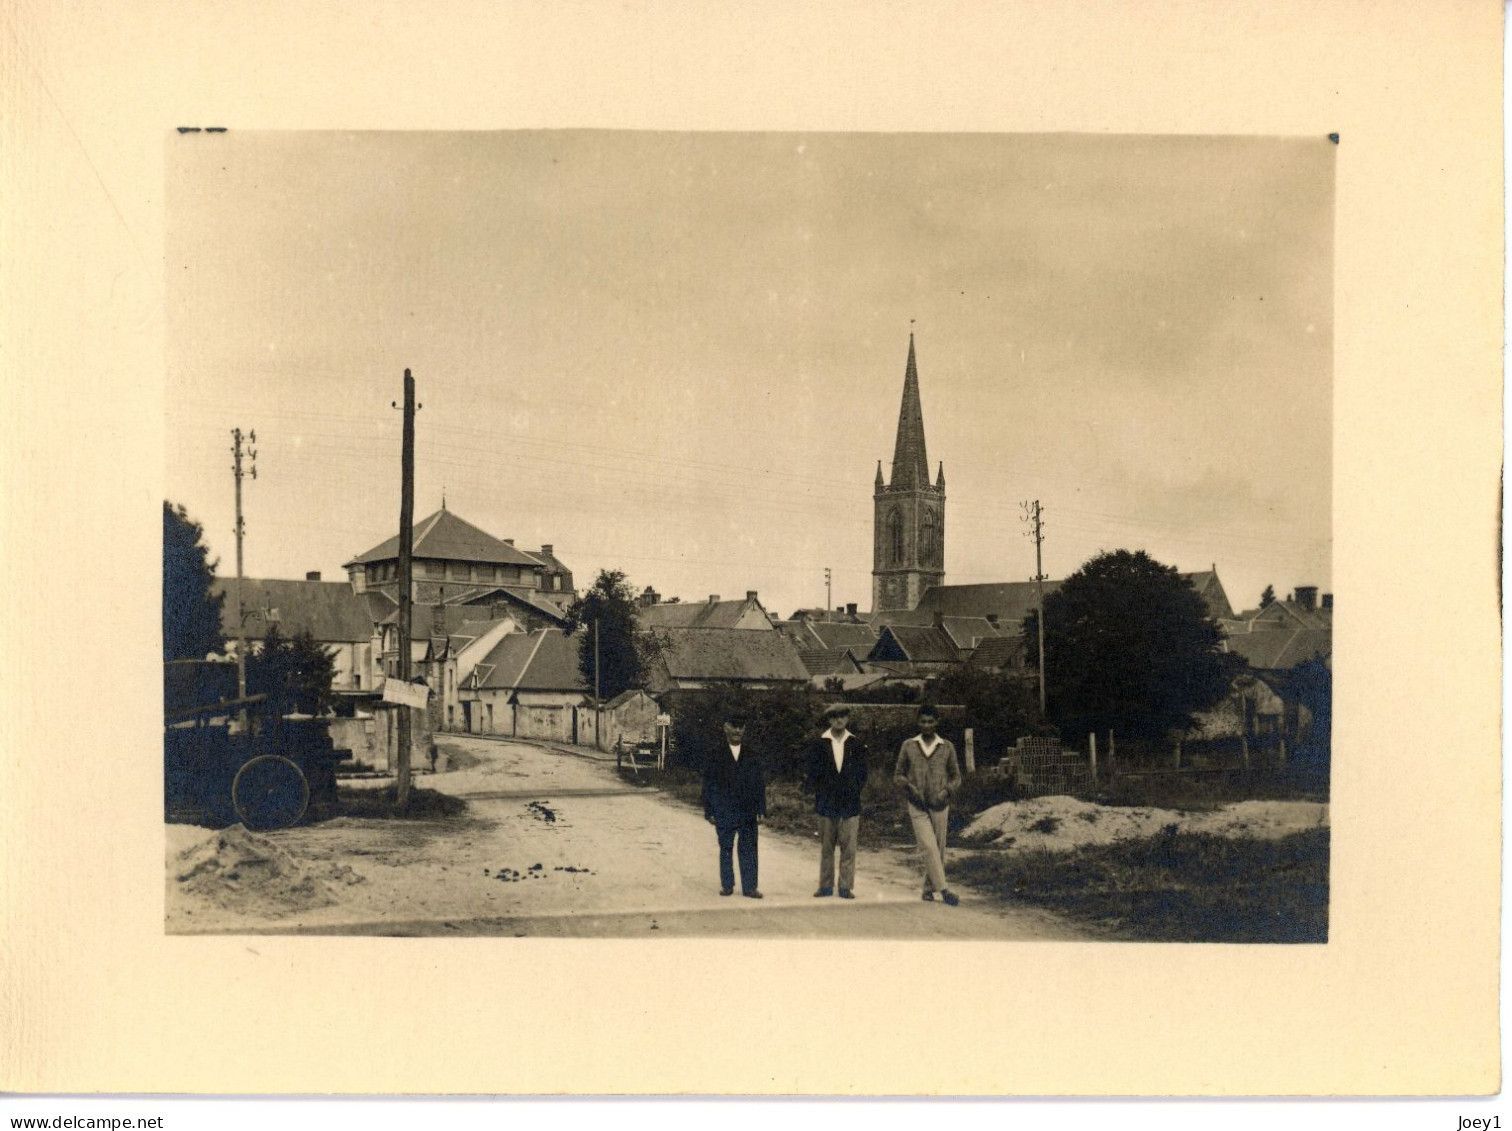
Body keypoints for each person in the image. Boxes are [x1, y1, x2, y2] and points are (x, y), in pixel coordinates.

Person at [892, 704, 962, 906]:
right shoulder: (909, 745)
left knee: (938, 849)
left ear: (937, 722)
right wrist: (910, 789)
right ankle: (945, 890)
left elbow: (956, 777)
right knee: (928, 847)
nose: (927, 725)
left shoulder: (947, 746)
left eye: (931, 721)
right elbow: (898, 775)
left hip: (940, 804)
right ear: (917, 722)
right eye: (923, 721)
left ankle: (927, 890)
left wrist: (946, 791)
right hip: (917, 805)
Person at [806, 703, 868, 899]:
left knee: (849, 846)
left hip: (850, 801)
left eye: (842, 716)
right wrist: (822, 792)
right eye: (834, 716)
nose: (839, 720)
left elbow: (862, 773)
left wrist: (854, 789)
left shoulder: (856, 743)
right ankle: (825, 886)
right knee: (827, 846)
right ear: (829, 719)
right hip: (827, 801)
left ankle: (845, 887)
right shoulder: (820, 743)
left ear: (848, 718)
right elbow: (813, 772)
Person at [701, 711, 766, 898]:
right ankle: (727, 885)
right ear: (725, 728)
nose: (737, 730)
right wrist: (709, 811)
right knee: (726, 847)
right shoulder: (715, 755)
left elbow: (759, 784)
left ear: (744, 729)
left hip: (748, 811)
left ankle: (750, 887)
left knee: (749, 849)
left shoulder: (752, 755)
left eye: (741, 726)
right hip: (725, 810)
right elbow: (708, 784)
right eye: (733, 726)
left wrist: (761, 808)